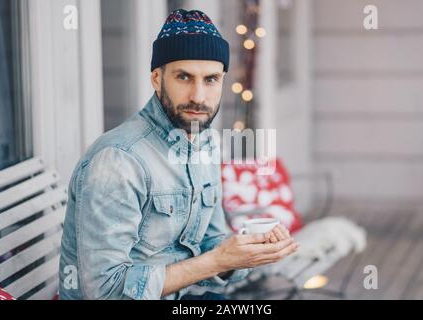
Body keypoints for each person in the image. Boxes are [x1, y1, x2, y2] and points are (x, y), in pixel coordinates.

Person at [59, 9, 298, 300]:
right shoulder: (119, 160)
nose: (198, 96)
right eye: (184, 77)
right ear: (157, 78)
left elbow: (211, 239)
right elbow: (105, 291)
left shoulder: (204, 140)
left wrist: (245, 249)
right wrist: (218, 261)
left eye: (210, 79)